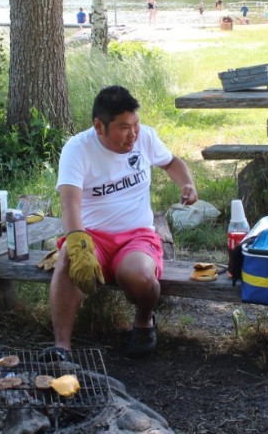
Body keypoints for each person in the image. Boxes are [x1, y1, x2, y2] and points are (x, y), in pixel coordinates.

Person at [43, 86, 198, 361]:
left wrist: (187, 182)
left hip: (137, 236)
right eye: (124, 128)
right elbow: (70, 204)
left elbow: (172, 162)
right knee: (68, 256)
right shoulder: (78, 149)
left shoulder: (145, 138)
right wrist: (77, 242)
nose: (133, 134)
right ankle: (61, 348)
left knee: (138, 275)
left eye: (136, 124)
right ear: (99, 126)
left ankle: (144, 321)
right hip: (93, 236)